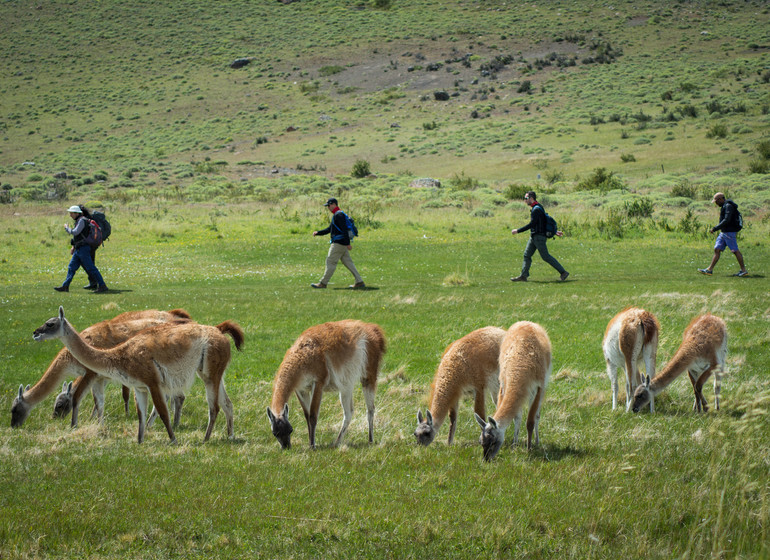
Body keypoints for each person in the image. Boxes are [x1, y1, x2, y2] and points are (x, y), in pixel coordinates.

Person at [510, 191, 569, 282]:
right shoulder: (538, 207)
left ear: (531, 198)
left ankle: (563, 272)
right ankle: (523, 276)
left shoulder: (536, 209)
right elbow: (543, 222)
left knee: (545, 256)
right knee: (527, 255)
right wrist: (555, 232)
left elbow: (532, 224)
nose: (525, 201)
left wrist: (518, 230)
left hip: (539, 237)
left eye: (526, 198)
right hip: (534, 236)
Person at [311, 197, 365, 289]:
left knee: (330, 261)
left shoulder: (338, 215)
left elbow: (344, 230)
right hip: (342, 243)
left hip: (339, 244)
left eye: (329, 205)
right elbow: (329, 229)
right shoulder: (338, 214)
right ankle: (359, 282)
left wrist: (348, 243)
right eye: (327, 206)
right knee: (348, 263)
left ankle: (323, 283)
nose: (328, 207)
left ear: (334, 204)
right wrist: (318, 233)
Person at [54, 205, 108, 293]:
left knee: (91, 268)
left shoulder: (82, 221)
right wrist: (74, 247)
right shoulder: (80, 220)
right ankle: (65, 286)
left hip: (83, 249)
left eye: (71, 213)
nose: (70, 215)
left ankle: (102, 285)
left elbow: (75, 232)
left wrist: (67, 228)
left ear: (76, 213)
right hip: (79, 249)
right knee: (71, 267)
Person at [698, 192, 748, 277]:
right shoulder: (725, 206)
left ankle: (743, 271)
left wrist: (715, 228)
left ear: (721, 199)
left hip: (729, 232)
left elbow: (726, 220)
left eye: (716, 201)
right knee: (717, 249)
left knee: (735, 251)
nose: (716, 203)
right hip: (724, 232)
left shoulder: (728, 206)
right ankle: (709, 270)